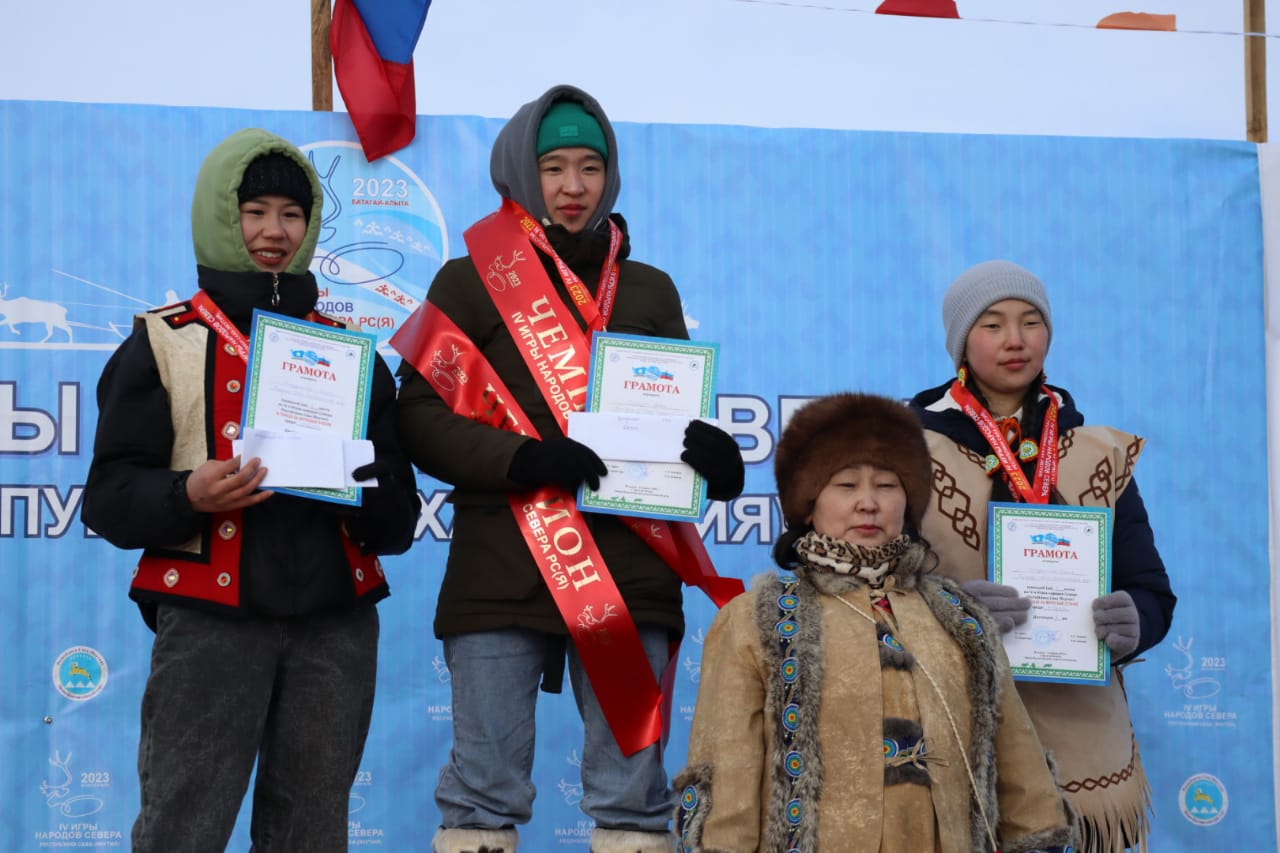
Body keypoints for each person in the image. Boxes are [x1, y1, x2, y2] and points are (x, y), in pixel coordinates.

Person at [392, 85, 745, 853]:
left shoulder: (648, 288)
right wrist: (521, 458)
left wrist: (711, 456)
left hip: (628, 563)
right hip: (500, 561)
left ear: (611, 176)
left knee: (632, 796)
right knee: (481, 791)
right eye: (555, 167)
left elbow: (673, 412)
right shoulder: (470, 277)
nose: (574, 186)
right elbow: (417, 415)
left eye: (590, 167)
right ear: (524, 172)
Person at [81, 128, 420, 852]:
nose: (274, 231)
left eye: (292, 214)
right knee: (182, 827)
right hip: (208, 623)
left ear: (311, 227)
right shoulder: (164, 339)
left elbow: (398, 517)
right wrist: (187, 495)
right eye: (255, 210)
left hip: (337, 626)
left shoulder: (353, 353)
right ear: (219, 215)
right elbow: (107, 497)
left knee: (311, 834)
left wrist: (362, 489)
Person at [675, 393, 1076, 853]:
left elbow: (1020, 765)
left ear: (909, 500)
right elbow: (728, 773)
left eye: (887, 485)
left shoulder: (959, 617)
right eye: (845, 485)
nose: (868, 503)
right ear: (808, 504)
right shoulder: (759, 619)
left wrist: (1040, 839)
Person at [909, 259, 1177, 852]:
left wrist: (1137, 618)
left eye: (1031, 322)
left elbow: (1151, 587)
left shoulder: (1096, 451)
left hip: (1077, 734)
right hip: (950, 722)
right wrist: (947, 608)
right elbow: (870, 589)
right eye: (992, 323)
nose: (1015, 340)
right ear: (959, 339)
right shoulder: (905, 446)